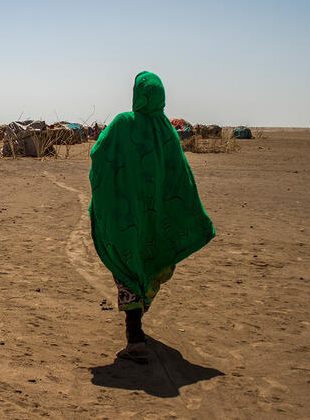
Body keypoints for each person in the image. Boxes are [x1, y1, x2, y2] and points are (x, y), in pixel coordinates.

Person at [88, 71, 215, 362]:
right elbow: (180, 176)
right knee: (148, 264)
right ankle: (138, 319)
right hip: (157, 218)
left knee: (126, 267)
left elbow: (99, 154)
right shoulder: (166, 131)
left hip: (126, 216)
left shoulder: (123, 124)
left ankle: (135, 339)